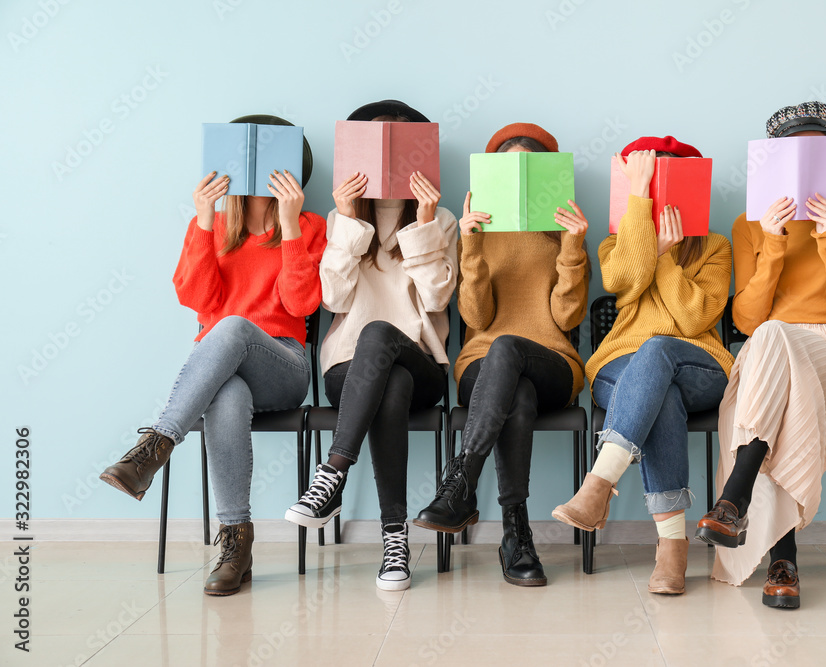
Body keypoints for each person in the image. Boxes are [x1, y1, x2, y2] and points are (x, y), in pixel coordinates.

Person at [100, 115, 324, 596]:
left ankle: (156, 443)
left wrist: (288, 226)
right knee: (227, 393)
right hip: (221, 372)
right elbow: (195, 298)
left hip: (283, 365)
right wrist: (204, 219)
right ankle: (236, 543)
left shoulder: (309, 226)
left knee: (234, 327)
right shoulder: (214, 225)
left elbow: (302, 305)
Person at [695, 101, 826, 609]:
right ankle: (783, 563)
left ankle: (737, 500)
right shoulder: (750, 223)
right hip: (771, 356)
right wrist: (775, 244)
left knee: (773, 347)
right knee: (773, 342)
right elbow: (747, 321)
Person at [284, 100, 457, 591]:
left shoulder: (440, 219)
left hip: (423, 363)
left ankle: (332, 474)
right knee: (389, 380)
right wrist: (347, 222)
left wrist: (423, 226)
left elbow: (438, 297)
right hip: (350, 370)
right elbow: (333, 298)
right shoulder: (342, 221)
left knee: (382, 336)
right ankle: (395, 540)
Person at [553, 136, 733, 595]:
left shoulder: (715, 247)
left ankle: (598, 484)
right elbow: (620, 279)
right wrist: (640, 201)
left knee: (658, 349)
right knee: (660, 396)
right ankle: (672, 553)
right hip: (621, 365)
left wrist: (670, 257)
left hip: (700, 364)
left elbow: (693, 317)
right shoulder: (620, 238)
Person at [413, 123, 590, 587]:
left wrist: (572, 247)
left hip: (554, 361)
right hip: (484, 366)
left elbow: (567, 320)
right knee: (518, 390)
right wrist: (471, 246)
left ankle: (461, 483)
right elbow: (477, 315)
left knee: (510, 348)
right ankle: (517, 533)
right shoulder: (478, 234)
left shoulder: (563, 235)